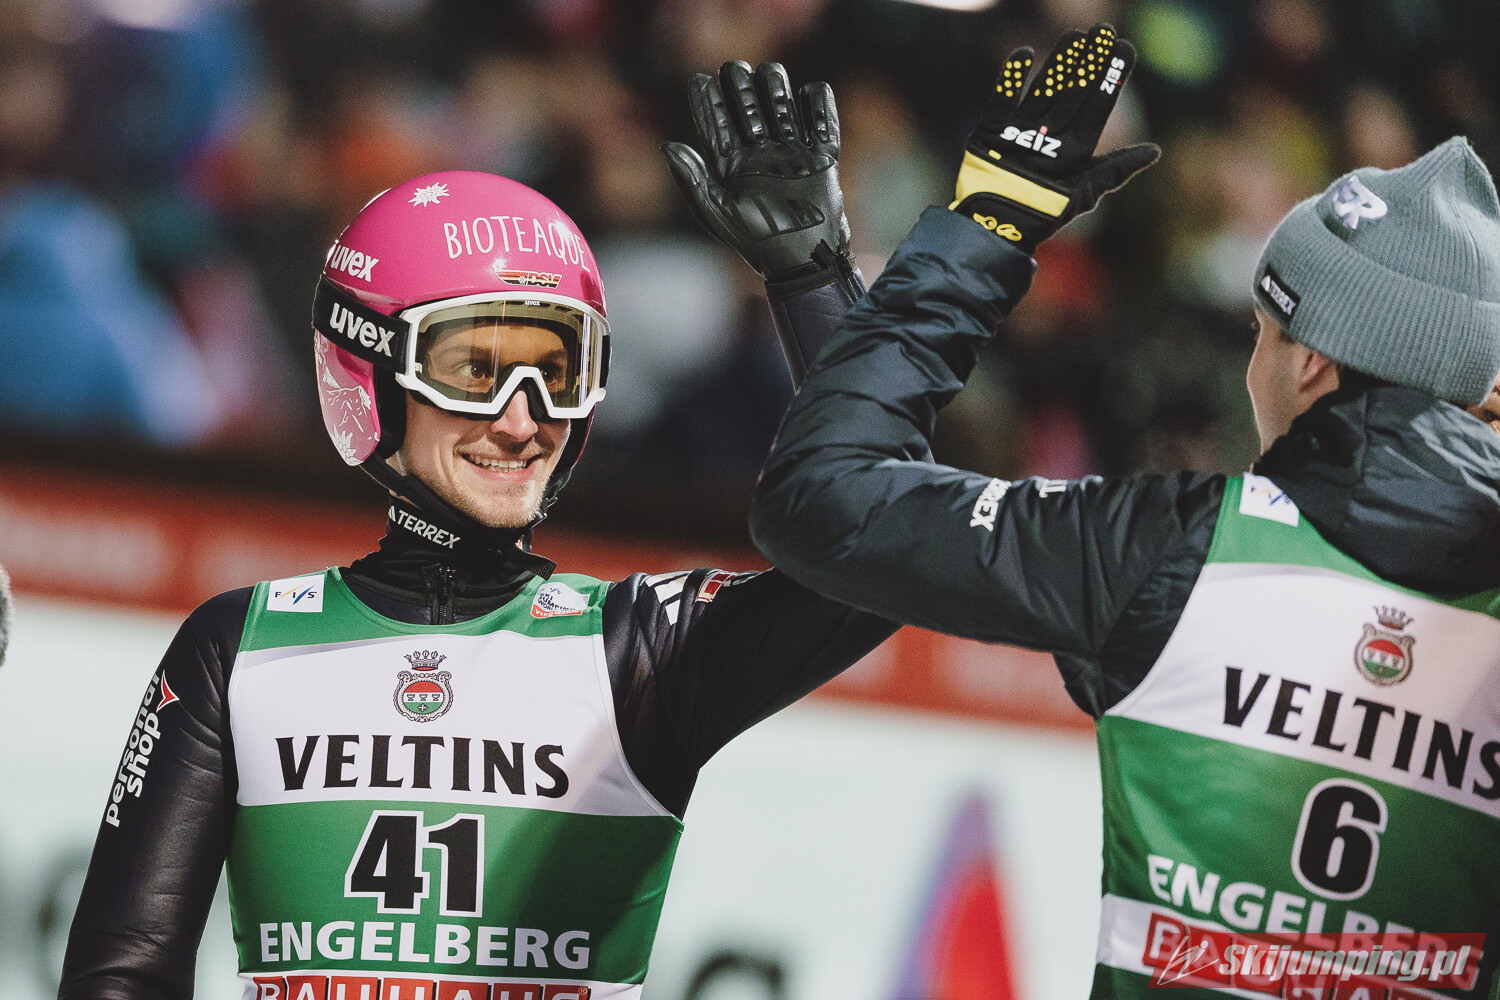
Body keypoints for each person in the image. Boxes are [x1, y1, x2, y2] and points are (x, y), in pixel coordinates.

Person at [59, 63, 890, 1000]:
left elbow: (894, 549)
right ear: (370, 369)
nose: (522, 418)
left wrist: (814, 280)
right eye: (474, 370)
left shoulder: (642, 652)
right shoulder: (235, 645)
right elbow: (119, 977)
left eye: (556, 371)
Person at [751, 23, 1500, 1000]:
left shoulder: (1173, 550)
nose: (1251, 366)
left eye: (1261, 334)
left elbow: (832, 502)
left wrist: (985, 226)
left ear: (1312, 363)